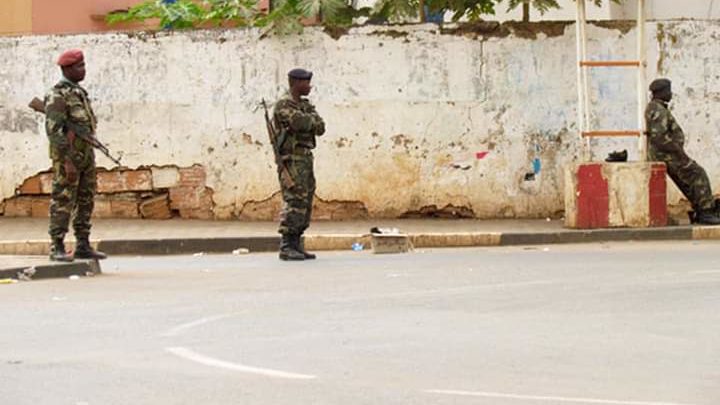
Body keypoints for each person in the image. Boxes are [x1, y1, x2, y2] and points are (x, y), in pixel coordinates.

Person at [45, 49, 107, 261]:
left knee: (85, 198)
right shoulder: (57, 95)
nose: (83, 70)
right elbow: (54, 132)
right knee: (63, 199)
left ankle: (83, 243)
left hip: (85, 154)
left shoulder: (79, 93)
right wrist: (68, 159)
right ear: (67, 68)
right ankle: (57, 246)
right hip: (67, 157)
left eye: (84, 65)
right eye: (79, 66)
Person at [645, 78, 720, 225]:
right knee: (698, 173)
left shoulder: (657, 107)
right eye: (669, 90)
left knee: (691, 177)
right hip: (667, 155)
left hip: (669, 154)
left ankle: (701, 209)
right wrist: (678, 152)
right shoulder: (657, 110)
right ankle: (705, 212)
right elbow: (659, 138)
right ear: (662, 92)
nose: (671, 93)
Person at [272, 68, 326, 260]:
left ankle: (297, 243)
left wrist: (308, 121)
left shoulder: (304, 105)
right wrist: (308, 121)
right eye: (306, 82)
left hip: (305, 157)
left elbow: (320, 127)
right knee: (295, 198)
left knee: (306, 198)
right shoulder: (283, 105)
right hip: (291, 159)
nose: (309, 86)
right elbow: (298, 123)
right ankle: (287, 245)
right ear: (295, 83)